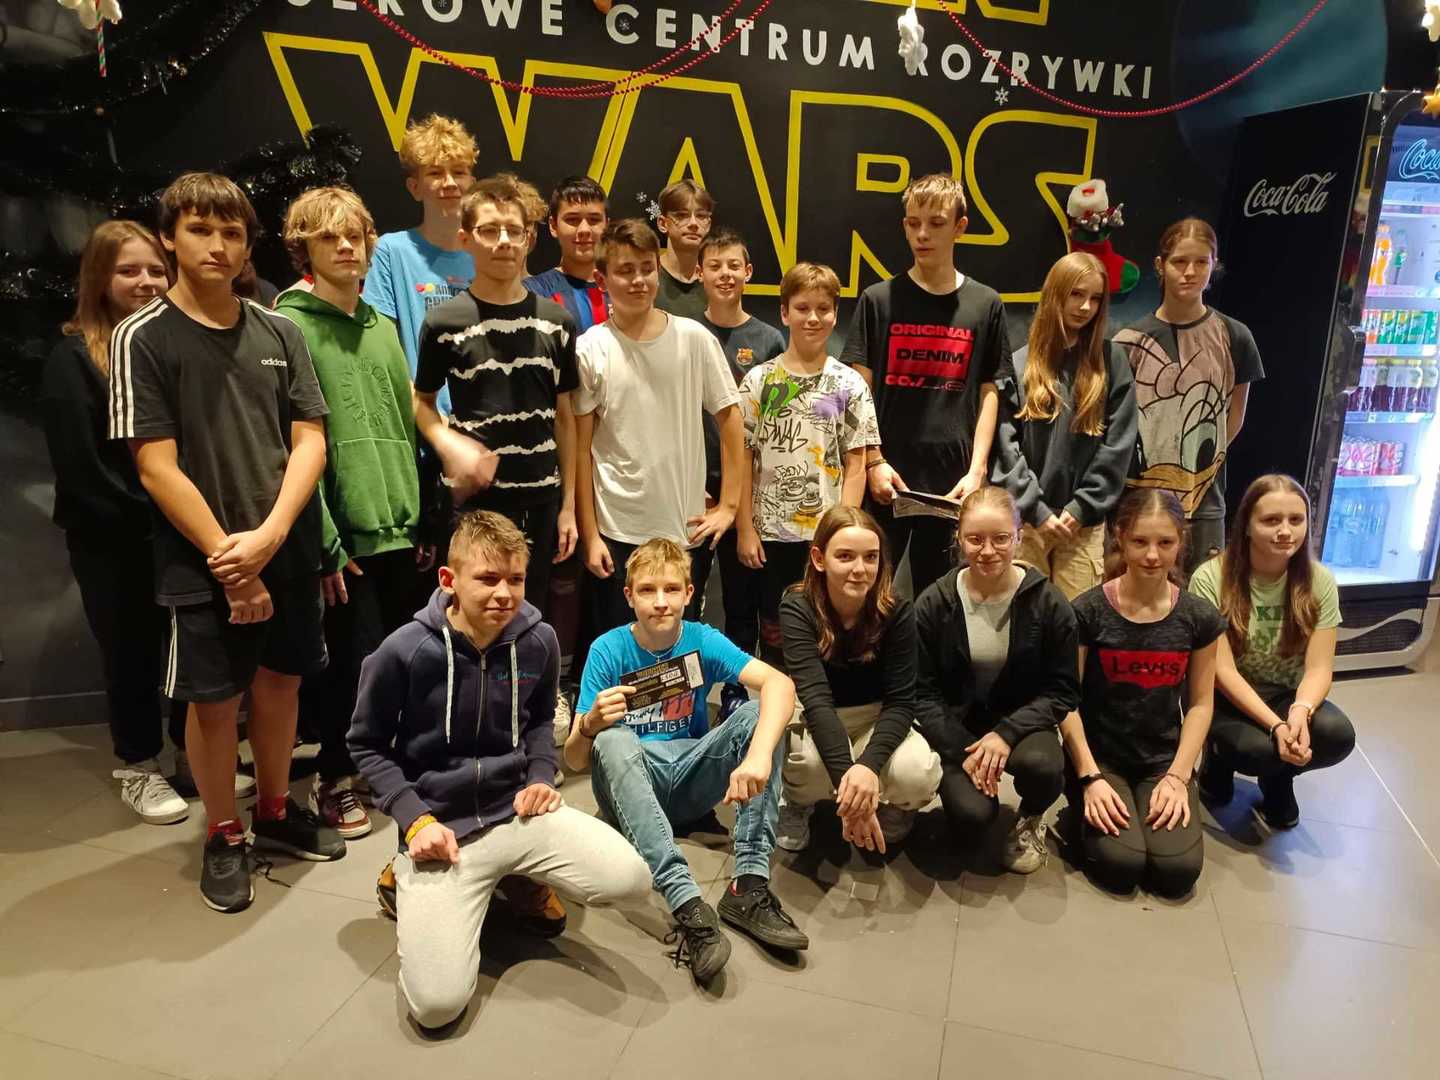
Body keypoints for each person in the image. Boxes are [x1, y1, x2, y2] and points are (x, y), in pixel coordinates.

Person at [109, 173, 343, 914]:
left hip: (285, 547)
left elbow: (310, 438)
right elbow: (155, 464)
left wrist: (271, 537)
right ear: (169, 237)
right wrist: (232, 562)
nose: (218, 245)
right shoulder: (142, 336)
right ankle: (222, 831)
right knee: (214, 703)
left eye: (232, 233)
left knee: (281, 683)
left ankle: (272, 810)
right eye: (201, 230)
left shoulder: (280, 331)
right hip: (202, 559)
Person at [348, 511, 652, 1032]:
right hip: (442, 829)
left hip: (516, 811)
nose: (504, 594)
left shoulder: (539, 640)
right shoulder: (403, 651)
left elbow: (539, 722)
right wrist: (414, 821)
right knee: (437, 1006)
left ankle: (514, 876)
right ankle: (403, 876)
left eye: (515, 579)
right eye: (487, 579)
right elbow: (366, 745)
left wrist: (540, 777)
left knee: (631, 880)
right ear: (449, 579)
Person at [43, 220, 257, 823]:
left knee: (190, 652)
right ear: (99, 278)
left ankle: (194, 759)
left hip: (183, 533)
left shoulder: (170, 345)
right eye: (127, 270)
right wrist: (165, 514)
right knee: (131, 652)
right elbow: (86, 472)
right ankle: (137, 764)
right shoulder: (73, 359)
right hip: (116, 541)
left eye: (155, 270)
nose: (145, 281)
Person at [564, 538, 808, 985]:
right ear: (629, 596)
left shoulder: (701, 639)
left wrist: (757, 757)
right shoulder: (607, 649)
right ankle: (687, 903)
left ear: (689, 594)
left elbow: (781, 685)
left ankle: (748, 886)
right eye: (648, 590)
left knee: (759, 715)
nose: (661, 602)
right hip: (631, 783)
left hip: (690, 773)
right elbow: (575, 760)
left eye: (672, 589)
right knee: (612, 739)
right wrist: (590, 724)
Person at [277, 186, 423, 840]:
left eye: (355, 236)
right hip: (342, 537)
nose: (345, 247)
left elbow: (401, 425)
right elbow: (290, 444)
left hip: (399, 526)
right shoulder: (289, 326)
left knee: (398, 661)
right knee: (347, 669)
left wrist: (419, 515)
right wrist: (324, 540)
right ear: (302, 247)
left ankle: (381, 768)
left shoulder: (383, 327)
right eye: (328, 237)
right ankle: (334, 777)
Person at [842, 173, 1013, 598]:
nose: (923, 234)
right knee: (867, 599)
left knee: (940, 604)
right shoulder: (878, 300)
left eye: (936, 223)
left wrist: (977, 471)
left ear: (960, 226)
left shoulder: (985, 304)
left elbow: (990, 391)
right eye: (914, 223)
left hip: (953, 484)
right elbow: (856, 391)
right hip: (887, 482)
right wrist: (874, 461)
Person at [414, 176, 579, 607]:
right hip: (476, 504)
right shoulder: (443, 323)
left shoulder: (557, 323)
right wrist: (446, 442)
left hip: (541, 501)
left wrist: (568, 506)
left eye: (513, 230)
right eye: (489, 230)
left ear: (529, 239)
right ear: (466, 239)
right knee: (473, 613)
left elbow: (565, 418)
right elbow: (422, 403)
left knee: (530, 615)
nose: (503, 241)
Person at [574, 219, 743, 634]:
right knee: (623, 646)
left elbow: (731, 419)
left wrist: (729, 506)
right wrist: (590, 534)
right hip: (617, 531)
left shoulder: (694, 339)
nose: (638, 280)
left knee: (680, 649)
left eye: (647, 268)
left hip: (684, 529)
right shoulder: (590, 348)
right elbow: (579, 448)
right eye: (625, 270)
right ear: (602, 279)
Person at [1059, 489, 1227, 898]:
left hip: (1161, 759)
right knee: (1122, 866)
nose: (1152, 555)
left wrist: (1178, 776)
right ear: (1120, 537)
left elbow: (1201, 704)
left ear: (1180, 542)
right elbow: (1066, 702)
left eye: (1165, 543)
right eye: (1140, 542)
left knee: (1177, 872)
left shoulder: (1199, 617)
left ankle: (1145, 803)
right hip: (1101, 759)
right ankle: (1080, 812)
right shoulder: (1088, 611)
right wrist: (1090, 777)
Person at [913, 487, 1078, 873]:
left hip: (1021, 724)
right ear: (959, 539)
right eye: (975, 539)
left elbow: (1062, 692)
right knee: (971, 818)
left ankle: (1030, 818)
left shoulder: (1050, 604)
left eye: (1001, 538)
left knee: (1044, 767)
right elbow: (921, 694)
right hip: (958, 728)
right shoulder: (933, 603)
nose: (988, 551)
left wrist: (1005, 734)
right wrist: (967, 752)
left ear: (1019, 537)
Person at [1190, 474, 1356, 829]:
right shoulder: (1209, 578)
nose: (1285, 531)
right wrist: (1276, 725)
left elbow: (1319, 668)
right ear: (1247, 526)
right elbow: (1222, 672)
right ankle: (1218, 759)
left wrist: (1300, 710)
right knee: (1256, 751)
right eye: (1271, 520)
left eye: (1296, 520)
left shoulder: (1320, 581)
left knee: (1337, 735)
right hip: (1226, 699)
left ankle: (1280, 777)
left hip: (1285, 695)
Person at [777, 506, 941, 853]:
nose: (860, 569)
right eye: (845, 556)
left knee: (916, 773)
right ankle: (798, 802)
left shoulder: (897, 611)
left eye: (870, 557)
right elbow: (816, 701)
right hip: (819, 715)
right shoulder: (797, 607)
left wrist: (867, 767)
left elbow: (901, 702)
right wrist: (855, 799)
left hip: (877, 716)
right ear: (819, 559)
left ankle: (896, 804)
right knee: (807, 767)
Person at [737, 262, 878, 666]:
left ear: (835, 314)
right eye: (802, 308)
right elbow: (743, 458)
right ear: (784, 313)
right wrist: (745, 528)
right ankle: (779, 695)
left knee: (827, 627)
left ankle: (823, 698)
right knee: (776, 627)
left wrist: (845, 534)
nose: (812, 318)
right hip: (771, 534)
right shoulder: (759, 382)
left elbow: (856, 464)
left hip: (826, 535)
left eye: (823, 308)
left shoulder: (849, 384)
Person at [1114, 217, 1264, 570]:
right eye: (1179, 261)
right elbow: (1118, 426)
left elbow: (1234, 417)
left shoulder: (1235, 336)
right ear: (1160, 265)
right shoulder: (1127, 342)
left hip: (1204, 502)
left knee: (1199, 596)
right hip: (1138, 500)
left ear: (1214, 265)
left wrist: (1198, 466)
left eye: (1201, 262)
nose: (1190, 272)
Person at [993, 251, 1138, 600]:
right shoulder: (1019, 364)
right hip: (1026, 523)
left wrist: (1081, 507)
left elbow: (1118, 446)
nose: (1085, 307)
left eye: (1095, 298)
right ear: (1055, 293)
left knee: (1076, 623)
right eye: (1076, 294)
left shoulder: (1112, 362)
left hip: (1082, 527)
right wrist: (1037, 510)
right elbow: (1005, 449)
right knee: (1025, 620)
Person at [697, 228, 786, 716]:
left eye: (734, 265)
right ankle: (688, 693)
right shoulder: (685, 332)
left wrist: (741, 500)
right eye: (715, 265)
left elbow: (770, 425)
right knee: (689, 595)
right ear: (699, 273)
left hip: (746, 485)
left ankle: (739, 689)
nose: (725, 274)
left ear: (749, 273)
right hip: (693, 486)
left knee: (741, 596)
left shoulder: (768, 339)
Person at [362, 114, 478, 413]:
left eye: (459, 172)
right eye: (436, 173)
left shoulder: (487, 253)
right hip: (419, 423)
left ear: (472, 183)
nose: (449, 183)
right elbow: (382, 348)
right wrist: (430, 420)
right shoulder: (391, 251)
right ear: (415, 187)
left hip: (485, 425)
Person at [524, 175, 610, 333]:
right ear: (553, 226)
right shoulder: (533, 293)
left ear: (607, 226)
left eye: (594, 220)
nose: (584, 230)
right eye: (572, 220)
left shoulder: (626, 289)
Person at [653, 179, 713, 321]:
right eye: (681, 215)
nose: (693, 223)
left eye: (701, 216)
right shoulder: (647, 277)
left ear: (708, 224)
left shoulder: (716, 281)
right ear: (663, 223)